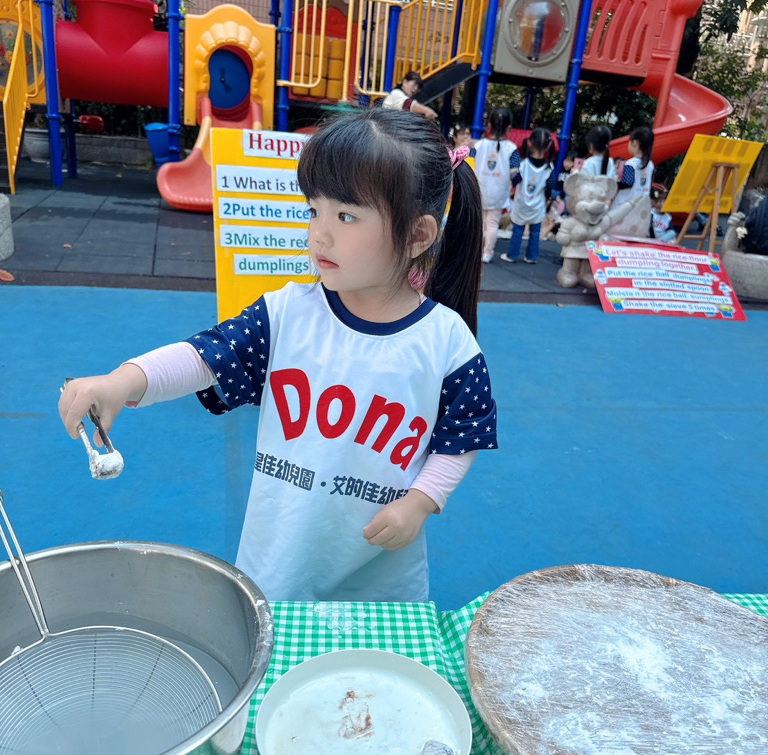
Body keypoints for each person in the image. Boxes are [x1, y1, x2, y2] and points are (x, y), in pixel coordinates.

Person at [59, 111, 497, 605]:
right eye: (314, 210)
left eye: (346, 216)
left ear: (418, 235)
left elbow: (462, 435)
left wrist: (420, 501)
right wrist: (123, 380)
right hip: (279, 567)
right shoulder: (286, 313)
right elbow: (207, 355)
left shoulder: (447, 342)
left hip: (381, 579)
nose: (319, 234)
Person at [500, 127, 556, 264]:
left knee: (517, 231)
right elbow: (550, 187)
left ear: (529, 143)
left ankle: (512, 255)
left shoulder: (522, 164)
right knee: (535, 233)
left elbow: (515, 180)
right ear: (549, 145)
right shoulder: (550, 168)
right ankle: (532, 257)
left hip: (521, 204)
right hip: (538, 206)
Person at [473, 107, 520, 263]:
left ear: (489, 126)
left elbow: (470, 164)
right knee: (492, 224)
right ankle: (487, 253)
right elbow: (515, 172)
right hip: (499, 193)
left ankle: (476, 251)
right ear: (509, 128)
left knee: (479, 224)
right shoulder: (511, 149)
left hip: (479, 189)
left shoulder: (479, 145)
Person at [614, 126, 654, 206]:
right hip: (641, 205)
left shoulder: (630, 164)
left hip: (625, 206)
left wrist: (615, 182)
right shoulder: (650, 164)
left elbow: (626, 183)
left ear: (634, 143)